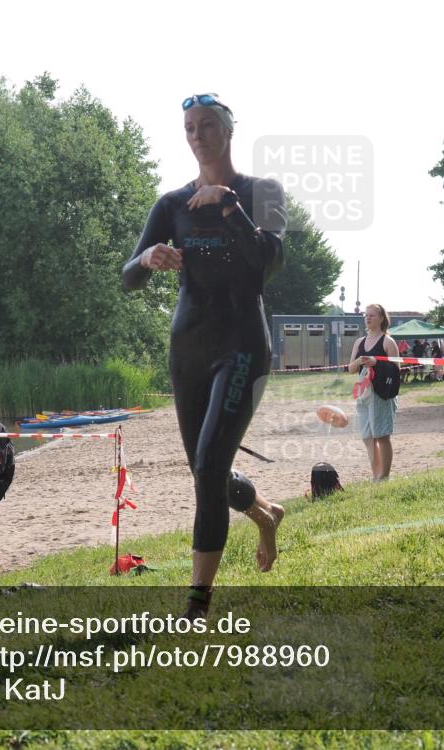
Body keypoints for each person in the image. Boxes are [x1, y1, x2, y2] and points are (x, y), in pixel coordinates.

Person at [121, 93, 286, 619]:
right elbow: (128, 278)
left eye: (207, 124)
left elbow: (267, 263)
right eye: (189, 126)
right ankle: (264, 513)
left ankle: (197, 602)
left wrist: (227, 204)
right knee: (204, 470)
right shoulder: (170, 204)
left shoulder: (262, 192)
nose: (197, 134)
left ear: (228, 130)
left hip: (242, 346)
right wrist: (147, 256)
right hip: (188, 349)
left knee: (212, 464)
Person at [349, 304, 400, 481]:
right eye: (366, 315)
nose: (368, 318)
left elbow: (396, 370)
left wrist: (376, 362)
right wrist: (359, 361)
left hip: (382, 392)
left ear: (381, 318)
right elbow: (350, 369)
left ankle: (384, 476)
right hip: (364, 391)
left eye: (372, 315)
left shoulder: (388, 341)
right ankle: (375, 475)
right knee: (367, 436)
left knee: (381, 435)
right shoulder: (359, 342)